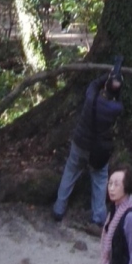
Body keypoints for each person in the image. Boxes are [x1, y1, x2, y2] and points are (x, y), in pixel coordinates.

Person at [53, 63, 124, 227]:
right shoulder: (116, 108)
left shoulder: (91, 97)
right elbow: (119, 100)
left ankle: (58, 209)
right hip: (98, 150)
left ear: (105, 86)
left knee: (70, 172)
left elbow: (93, 84)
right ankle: (98, 217)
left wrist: (107, 76)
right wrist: (117, 84)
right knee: (100, 180)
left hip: (80, 143)